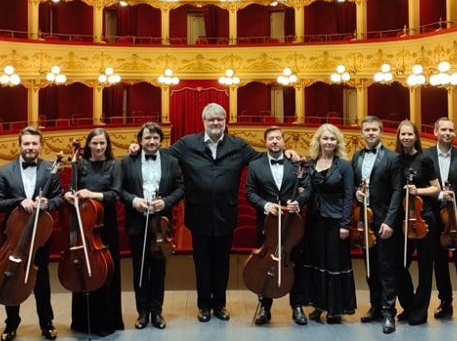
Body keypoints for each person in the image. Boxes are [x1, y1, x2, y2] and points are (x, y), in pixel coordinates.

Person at [130, 103, 295, 322]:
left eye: (219, 119)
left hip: (226, 215)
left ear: (225, 122)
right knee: (202, 263)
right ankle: (204, 306)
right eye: (211, 120)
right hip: (198, 216)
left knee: (222, 263)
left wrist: (287, 153)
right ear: (204, 122)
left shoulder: (237, 145)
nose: (215, 123)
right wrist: (137, 148)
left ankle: (219, 304)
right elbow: (162, 154)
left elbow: (261, 159)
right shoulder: (188, 143)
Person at [0, 126, 66, 341]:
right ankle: (11, 325)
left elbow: (59, 198)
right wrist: (17, 201)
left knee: (41, 279)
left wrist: (47, 203)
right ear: (19, 145)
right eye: (26, 143)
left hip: (40, 235)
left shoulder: (50, 169)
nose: (30, 147)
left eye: (34, 143)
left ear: (40, 146)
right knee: (11, 277)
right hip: (13, 234)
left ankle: (47, 323)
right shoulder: (6, 171)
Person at [118, 122, 185, 330]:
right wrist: (134, 201)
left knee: (158, 269)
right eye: (147, 138)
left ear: (161, 140)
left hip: (161, 223)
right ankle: (142, 312)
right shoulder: (127, 162)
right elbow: (119, 189)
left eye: (155, 138)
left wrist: (165, 202)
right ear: (140, 140)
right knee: (140, 267)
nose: (151, 141)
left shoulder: (172, 161)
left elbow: (181, 188)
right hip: (137, 222)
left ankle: (156, 311)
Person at [244, 126, 310, 326]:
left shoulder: (296, 163)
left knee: (294, 263)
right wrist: (266, 205)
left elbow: (306, 188)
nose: (274, 141)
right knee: (266, 265)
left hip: (292, 225)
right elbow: (250, 192)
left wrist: (298, 201)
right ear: (265, 142)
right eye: (271, 138)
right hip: (268, 223)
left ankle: (297, 306)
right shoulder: (255, 165)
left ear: (283, 141)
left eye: (278, 138)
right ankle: (265, 307)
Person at [297, 123, 357, 323]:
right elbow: (308, 191)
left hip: (335, 221)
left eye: (332, 139)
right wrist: (296, 203)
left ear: (337, 142)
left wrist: (345, 224)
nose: (329, 142)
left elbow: (349, 196)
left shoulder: (344, 165)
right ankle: (318, 304)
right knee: (316, 261)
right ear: (319, 141)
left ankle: (335, 308)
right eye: (325, 138)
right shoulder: (312, 163)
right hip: (314, 219)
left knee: (333, 263)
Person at [67, 128, 124, 336]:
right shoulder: (80, 165)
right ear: (88, 144)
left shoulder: (114, 165)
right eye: (95, 143)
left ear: (107, 145)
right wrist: (70, 195)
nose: (99, 147)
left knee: (106, 269)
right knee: (82, 267)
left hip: (104, 224)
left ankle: (108, 320)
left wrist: (92, 194)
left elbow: (115, 194)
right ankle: (82, 320)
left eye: (103, 143)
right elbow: (72, 191)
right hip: (84, 222)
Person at [350, 115, 403, 334]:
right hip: (365, 220)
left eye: (374, 130)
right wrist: (357, 192)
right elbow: (352, 185)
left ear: (381, 132)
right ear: (361, 133)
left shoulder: (393, 157)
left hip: (383, 221)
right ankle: (375, 308)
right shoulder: (357, 156)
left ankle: (389, 312)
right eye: (367, 130)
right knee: (370, 266)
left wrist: (390, 221)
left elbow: (398, 191)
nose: (370, 133)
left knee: (386, 268)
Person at [423, 117, 457, 325]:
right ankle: (445, 303)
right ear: (435, 131)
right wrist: (438, 197)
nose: (448, 133)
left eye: (451, 130)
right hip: (434, 215)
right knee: (440, 262)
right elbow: (422, 185)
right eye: (443, 129)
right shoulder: (425, 156)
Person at [393, 120, 440, 325]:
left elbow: (436, 189)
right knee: (399, 264)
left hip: (424, 217)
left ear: (416, 136)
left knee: (424, 265)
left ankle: (419, 312)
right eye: (403, 134)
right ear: (398, 136)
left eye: (409, 134)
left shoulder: (425, 160)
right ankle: (410, 305)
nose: (406, 138)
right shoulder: (394, 160)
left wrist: (417, 191)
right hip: (401, 218)